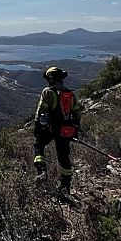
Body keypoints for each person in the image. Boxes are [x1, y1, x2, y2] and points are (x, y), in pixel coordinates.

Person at [32, 66, 82, 200]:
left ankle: (41, 171)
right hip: (65, 130)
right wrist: (75, 129)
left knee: (38, 145)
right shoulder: (70, 95)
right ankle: (65, 186)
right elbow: (77, 112)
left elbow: (41, 110)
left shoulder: (48, 92)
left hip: (50, 129)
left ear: (50, 79)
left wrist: (38, 127)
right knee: (63, 157)